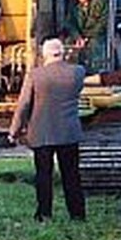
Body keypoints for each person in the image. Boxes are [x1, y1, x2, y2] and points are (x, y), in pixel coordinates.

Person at [8, 38, 86, 221]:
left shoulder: (35, 75)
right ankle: (77, 214)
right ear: (62, 52)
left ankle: (44, 214)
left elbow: (24, 105)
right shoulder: (78, 72)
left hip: (42, 133)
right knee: (72, 175)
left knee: (43, 175)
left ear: (44, 55)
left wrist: (14, 130)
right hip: (68, 133)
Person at [64, 0, 108, 71]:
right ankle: (71, 71)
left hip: (96, 36)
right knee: (68, 43)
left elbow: (103, 23)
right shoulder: (73, 4)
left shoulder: (100, 2)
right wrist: (77, 37)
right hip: (79, 35)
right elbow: (69, 23)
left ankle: (95, 70)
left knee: (95, 45)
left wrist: (86, 38)